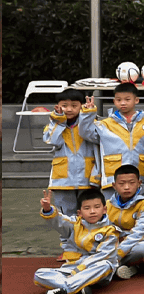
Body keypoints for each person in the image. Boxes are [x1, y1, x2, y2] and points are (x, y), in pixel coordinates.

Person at [36, 189, 121, 294]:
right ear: (79, 213)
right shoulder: (75, 224)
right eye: (87, 208)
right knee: (39, 274)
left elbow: (102, 256)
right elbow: (60, 221)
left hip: (94, 270)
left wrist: (78, 271)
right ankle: (78, 287)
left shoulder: (110, 231)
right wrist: (48, 210)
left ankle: (66, 290)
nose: (92, 211)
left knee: (106, 264)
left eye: (96, 207)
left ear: (104, 209)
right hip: (72, 268)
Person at [43, 92, 100, 224]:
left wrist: (87, 116)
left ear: (81, 106)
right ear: (57, 106)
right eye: (64, 105)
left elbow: (95, 137)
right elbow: (53, 141)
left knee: (89, 215)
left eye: (74, 106)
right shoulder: (53, 125)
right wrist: (59, 121)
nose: (69, 109)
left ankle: (87, 237)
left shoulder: (91, 123)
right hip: (62, 181)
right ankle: (69, 238)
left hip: (87, 179)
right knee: (65, 217)